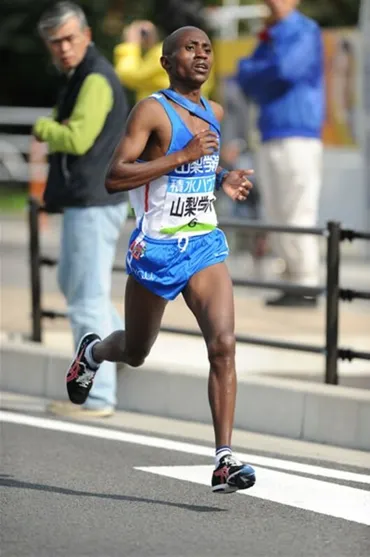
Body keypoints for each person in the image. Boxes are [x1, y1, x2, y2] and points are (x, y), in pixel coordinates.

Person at [65, 26, 256, 494]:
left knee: (224, 344)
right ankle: (92, 352)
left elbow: (197, 172)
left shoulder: (214, 111)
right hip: (156, 249)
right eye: (190, 49)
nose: (202, 56)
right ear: (168, 61)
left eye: (207, 49)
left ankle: (224, 460)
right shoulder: (152, 110)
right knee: (135, 351)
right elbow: (115, 177)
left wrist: (223, 179)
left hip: (203, 243)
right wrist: (184, 155)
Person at [33, 1, 129, 417]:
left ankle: (98, 394)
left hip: (93, 202)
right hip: (90, 201)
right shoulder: (83, 76)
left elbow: (78, 139)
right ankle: (117, 350)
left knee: (86, 298)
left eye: (70, 39)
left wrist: (43, 127)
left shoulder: (94, 79)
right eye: (55, 43)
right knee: (77, 285)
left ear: (87, 36)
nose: (63, 48)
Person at [236, 0, 325, 307]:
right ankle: (291, 281)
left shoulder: (304, 30)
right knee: (276, 212)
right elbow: (244, 77)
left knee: (297, 209)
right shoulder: (270, 34)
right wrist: (263, 73)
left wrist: (259, 73)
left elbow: (287, 70)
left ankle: (305, 282)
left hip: (297, 133)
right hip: (271, 132)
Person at [114, 20, 215, 102]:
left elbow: (128, 75)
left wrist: (130, 44)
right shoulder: (203, 53)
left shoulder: (163, 55)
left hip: (162, 120)